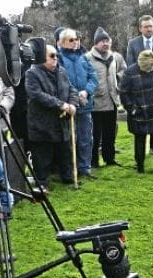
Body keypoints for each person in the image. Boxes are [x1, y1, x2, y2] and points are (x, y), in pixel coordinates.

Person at [25, 45, 79, 188]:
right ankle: (41, 183)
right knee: (42, 154)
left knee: (64, 151)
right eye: (52, 56)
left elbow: (72, 89)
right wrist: (61, 104)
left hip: (61, 122)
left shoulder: (62, 71)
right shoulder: (32, 73)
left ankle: (67, 177)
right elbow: (37, 94)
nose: (55, 58)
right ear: (42, 57)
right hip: (42, 122)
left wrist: (73, 104)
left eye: (56, 55)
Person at [57, 28, 98, 179]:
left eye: (76, 39)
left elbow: (93, 78)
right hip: (69, 106)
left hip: (85, 104)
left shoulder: (84, 58)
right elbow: (62, 82)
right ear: (62, 42)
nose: (75, 42)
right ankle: (70, 170)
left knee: (86, 137)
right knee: (70, 140)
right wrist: (75, 95)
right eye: (71, 40)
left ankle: (85, 167)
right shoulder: (59, 59)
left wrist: (86, 91)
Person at [120, 50, 153, 173]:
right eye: (146, 68)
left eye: (151, 67)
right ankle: (140, 166)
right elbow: (124, 93)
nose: (149, 70)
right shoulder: (130, 72)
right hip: (139, 111)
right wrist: (132, 109)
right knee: (140, 139)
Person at [86, 27, 126, 168]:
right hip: (95, 102)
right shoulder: (87, 58)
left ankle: (110, 159)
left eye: (107, 41)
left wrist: (118, 81)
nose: (105, 43)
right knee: (95, 135)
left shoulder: (114, 57)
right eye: (102, 41)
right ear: (96, 43)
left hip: (112, 100)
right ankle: (93, 161)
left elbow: (123, 70)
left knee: (110, 134)